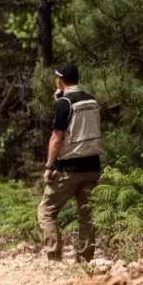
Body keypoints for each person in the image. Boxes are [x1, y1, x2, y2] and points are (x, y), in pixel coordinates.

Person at [38, 63, 103, 262]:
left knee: (46, 211)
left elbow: (56, 137)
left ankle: (54, 257)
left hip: (69, 168)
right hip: (93, 166)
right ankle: (85, 260)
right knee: (86, 216)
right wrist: (60, 101)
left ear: (60, 81)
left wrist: (49, 166)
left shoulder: (64, 103)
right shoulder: (92, 100)